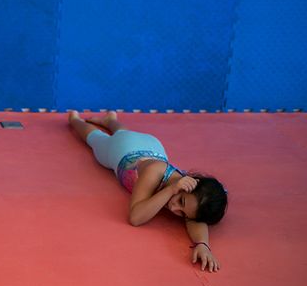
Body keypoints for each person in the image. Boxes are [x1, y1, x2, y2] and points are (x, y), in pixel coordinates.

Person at [68, 110, 227, 272]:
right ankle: (75, 121)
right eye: (180, 201)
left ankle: (110, 121)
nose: (174, 208)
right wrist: (170, 190)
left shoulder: (190, 195)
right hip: (122, 150)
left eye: (183, 214)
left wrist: (203, 245)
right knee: (97, 140)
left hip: (152, 145)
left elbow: (196, 218)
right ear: (191, 183)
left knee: (124, 132)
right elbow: (135, 217)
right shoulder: (155, 173)